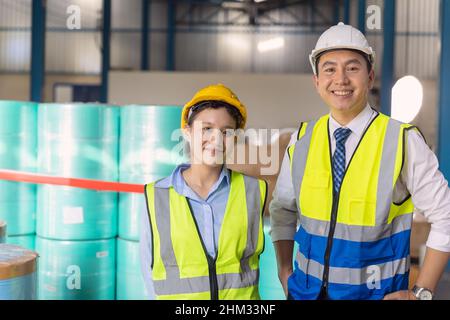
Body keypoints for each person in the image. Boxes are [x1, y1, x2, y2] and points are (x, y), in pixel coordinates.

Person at [270, 22, 450, 300]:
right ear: (316, 81)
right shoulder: (301, 139)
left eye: (352, 68)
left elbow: (446, 216)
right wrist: (284, 271)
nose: (340, 79)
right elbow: (282, 210)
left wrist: (421, 292)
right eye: (329, 68)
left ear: (370, 77)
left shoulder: (402, 140)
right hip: (305, 294)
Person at [140, 84, 268, 300]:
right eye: (207, 128)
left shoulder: (254, 191)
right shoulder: (156, 196)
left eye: (226, 132)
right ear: (187, 132)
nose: (216, 139)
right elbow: (149, 272)